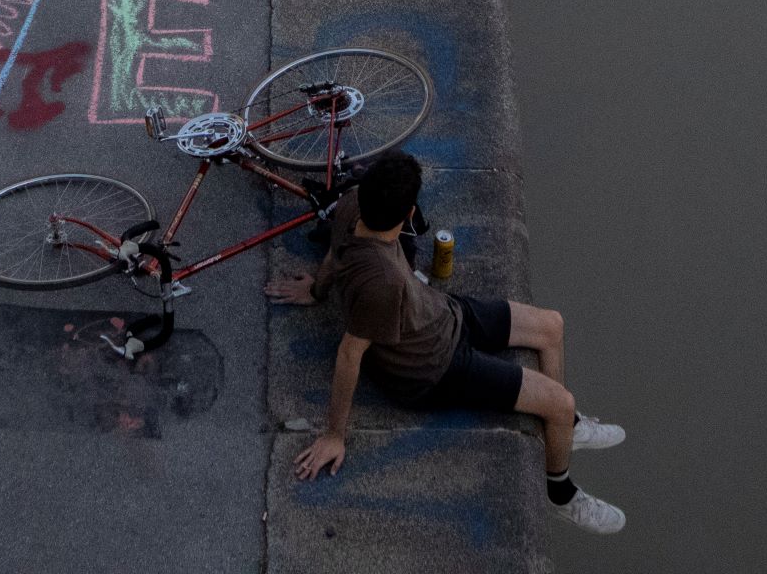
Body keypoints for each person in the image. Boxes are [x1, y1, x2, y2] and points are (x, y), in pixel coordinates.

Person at [266, 151, 628, 534]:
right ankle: (560, 492)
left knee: (551, 325)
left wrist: (318, 290)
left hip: (441, 314)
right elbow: (349, 354)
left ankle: (565, 431)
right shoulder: (382, 282)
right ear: (408, 215)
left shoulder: (353, 202)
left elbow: (334, 253)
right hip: (433, 368)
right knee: (560, 403)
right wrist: (334, 434)